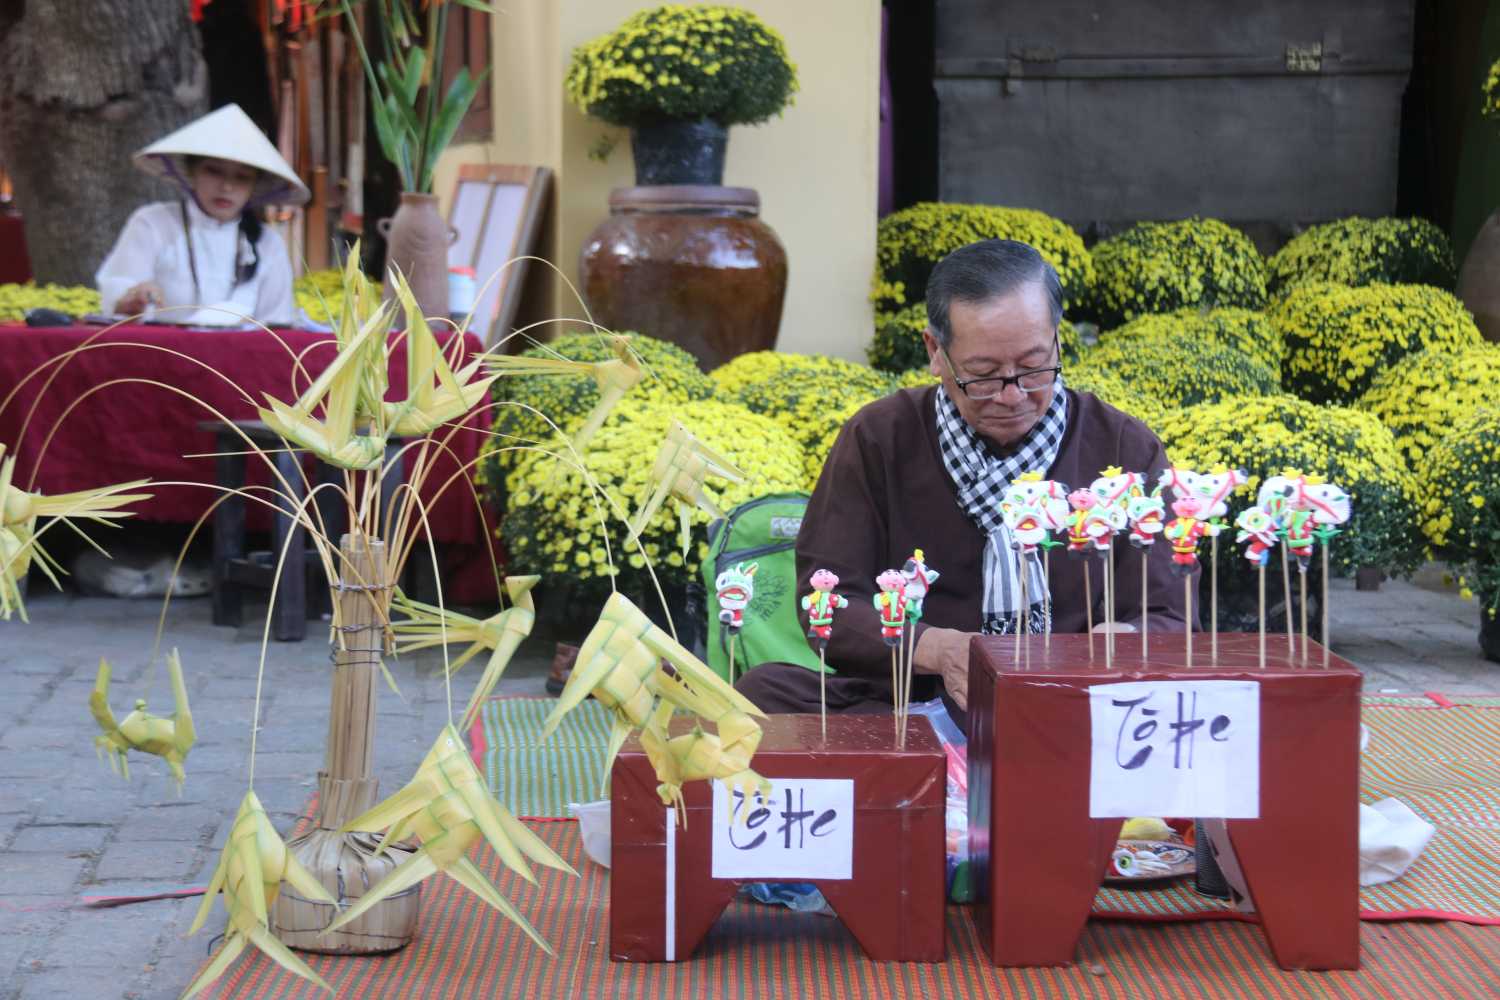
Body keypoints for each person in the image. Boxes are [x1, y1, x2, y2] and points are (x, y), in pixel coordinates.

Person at [734, 238, 1192, 731]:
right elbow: (829, 602)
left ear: (1057, 340)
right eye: (984, 374)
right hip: (908, 703)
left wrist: (1116, 639)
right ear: (936, 352)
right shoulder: (880, 438)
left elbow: (1169, 614)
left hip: (1073, 708)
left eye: (1034, 366)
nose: (1013, 394)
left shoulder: (1121, 447)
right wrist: (940, 649)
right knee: (761, 695)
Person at [95, 103, 308, 326]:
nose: (226, 187)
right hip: (158, 355)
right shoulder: (153, 222)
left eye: (241, 177)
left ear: (254, 185)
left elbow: (276, 324)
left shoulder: (268, 244)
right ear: (191, 171)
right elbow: (118, 301)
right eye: (214, 171)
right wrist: (133, 298)